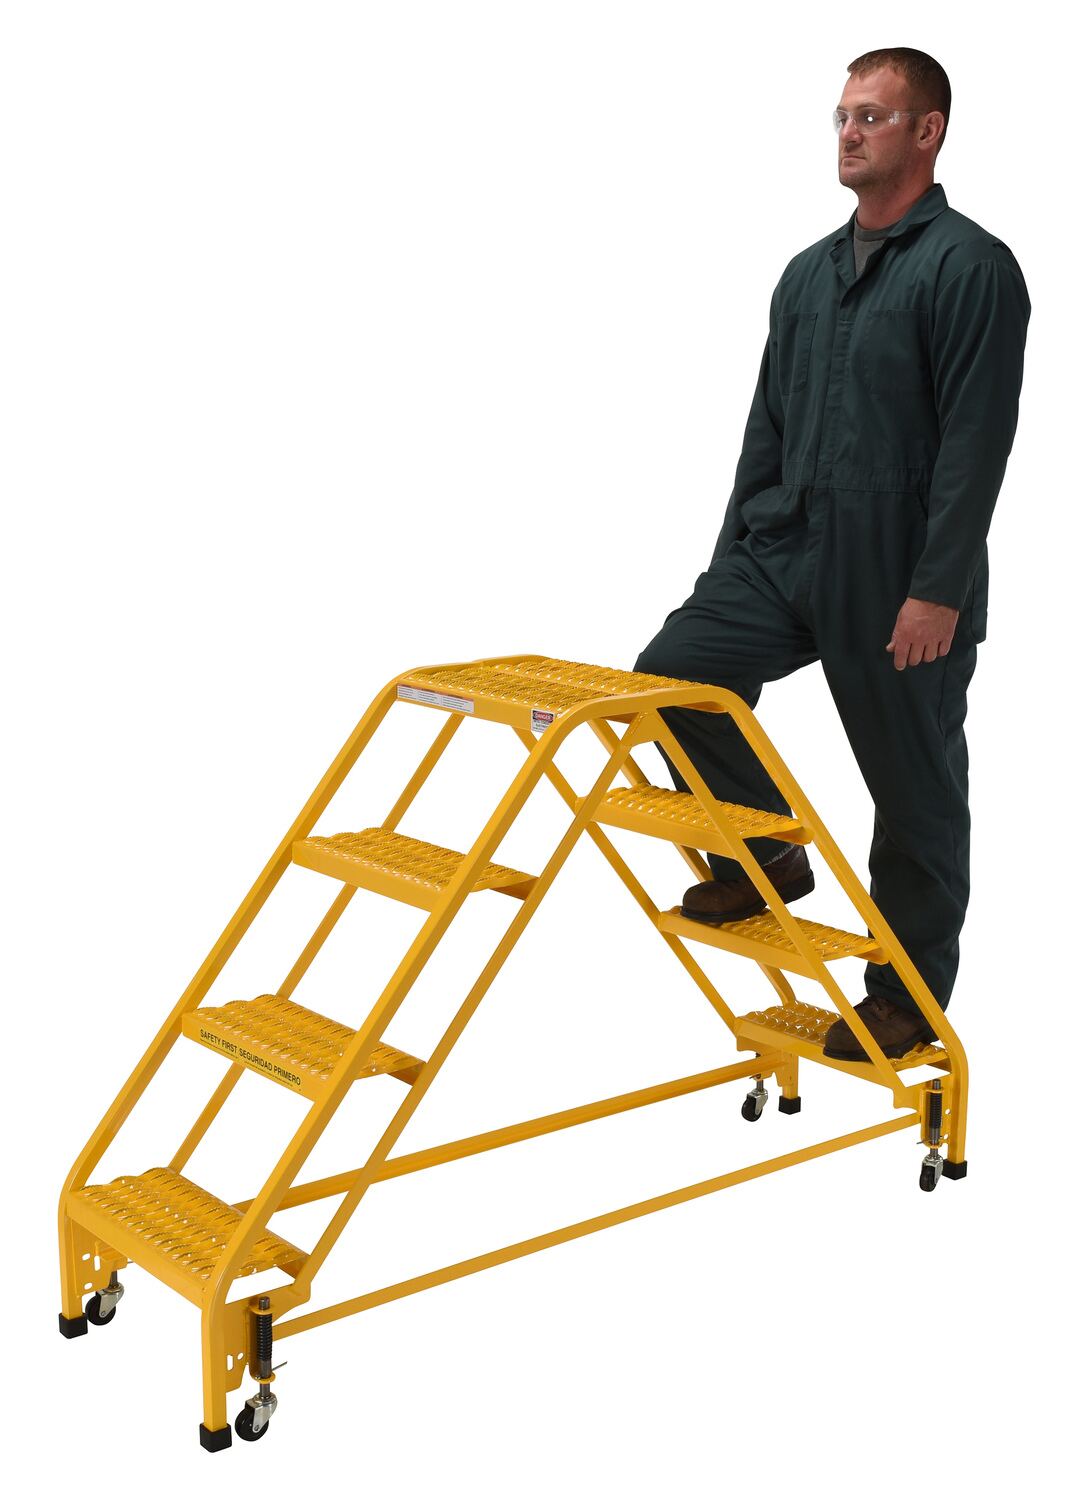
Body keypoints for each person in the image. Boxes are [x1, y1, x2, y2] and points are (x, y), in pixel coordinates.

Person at [632, 47, 1030, 1060]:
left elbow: (976, 442)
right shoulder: (807, 274)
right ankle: (763, 854)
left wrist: (938, 589)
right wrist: (727, 561)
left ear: (928, 131)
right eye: (843, 116)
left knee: (912, 791)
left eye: (872, 117)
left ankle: (905, 998)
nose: (849, 133)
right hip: (783, 547)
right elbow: (763, 431)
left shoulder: (970, 268)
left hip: (898, 569)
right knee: (672, 677)